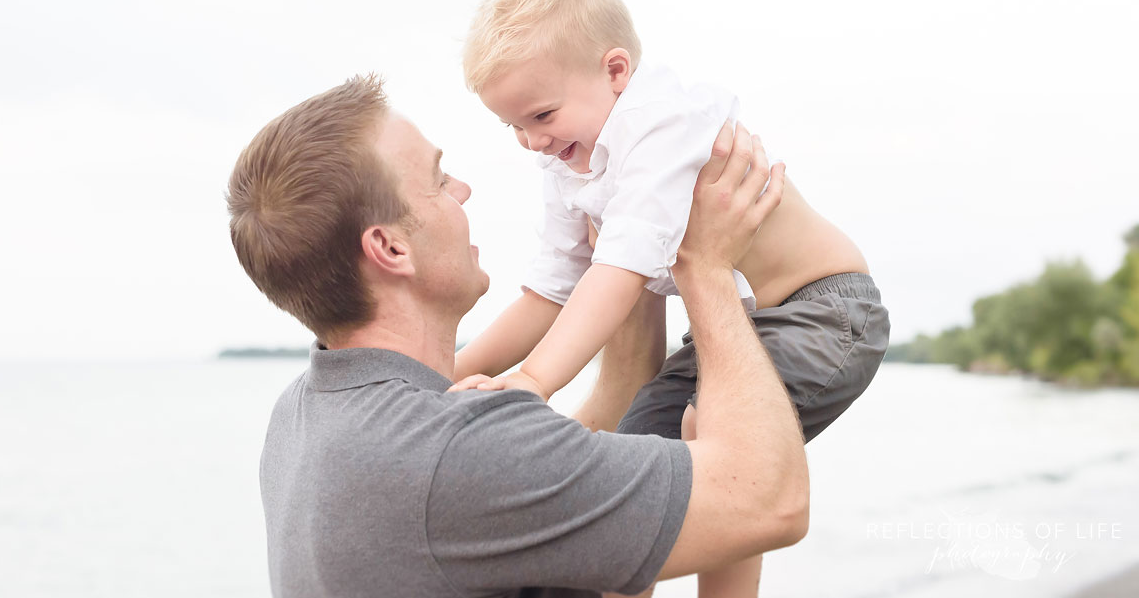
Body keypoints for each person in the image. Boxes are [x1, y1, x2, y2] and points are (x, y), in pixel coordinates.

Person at [226, 74, 807, 597]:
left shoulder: (308, 415)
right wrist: (705, 267)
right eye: (437, 180)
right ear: (390, 249)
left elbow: (580, 456)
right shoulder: (454, 451)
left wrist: (631, 239)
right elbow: (770, 502)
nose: (463, 191)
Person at [452, 0, 890, 597]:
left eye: (541, 116)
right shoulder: (570, 160)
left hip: (823, 311)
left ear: (615, 71)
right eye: (512, 126)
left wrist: (533, 380)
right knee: (636, 461)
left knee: (711, 436)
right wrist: (447, 379)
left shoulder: (658, 124)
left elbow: (621, 269)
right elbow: (548, 292)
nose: (530, 142)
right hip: (730, 332)